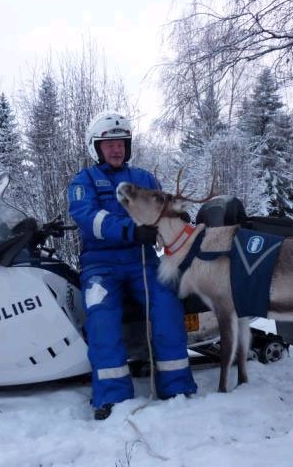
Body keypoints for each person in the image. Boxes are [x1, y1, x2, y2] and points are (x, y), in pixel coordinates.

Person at [68, 112, 197, 420]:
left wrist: (179, 215)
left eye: (121, 143)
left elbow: (163, 207)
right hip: (100, 264)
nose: (117, 150)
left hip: (142, 261)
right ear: (96, 148)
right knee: (101, 319)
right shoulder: (83, 181)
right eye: (109, 144)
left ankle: (176, 386)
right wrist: (129, 231)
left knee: (167, 306)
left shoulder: (144, 178)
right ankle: (112, 397)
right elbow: (88, 219)